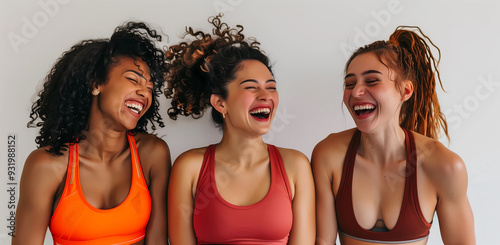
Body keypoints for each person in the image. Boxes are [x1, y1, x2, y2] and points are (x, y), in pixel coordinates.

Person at [313, 26, 475, 245]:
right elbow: (322, 241)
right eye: (350, 83)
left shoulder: (444, 166)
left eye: (371, 81)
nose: (356, 91)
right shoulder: (328, 155)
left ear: (406, 91)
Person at [12, 22, 170, 245]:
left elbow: (158, 241)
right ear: (96, 83)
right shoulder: (47, 166)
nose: (144, 92)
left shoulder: (153, 154)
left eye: (150, 88)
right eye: (133, 79)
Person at [166, 15, 315, 245]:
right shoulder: (189, 168)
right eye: (251, 87)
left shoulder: (296, 165)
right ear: (220, 103)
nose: (265, 96)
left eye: (271, 87)